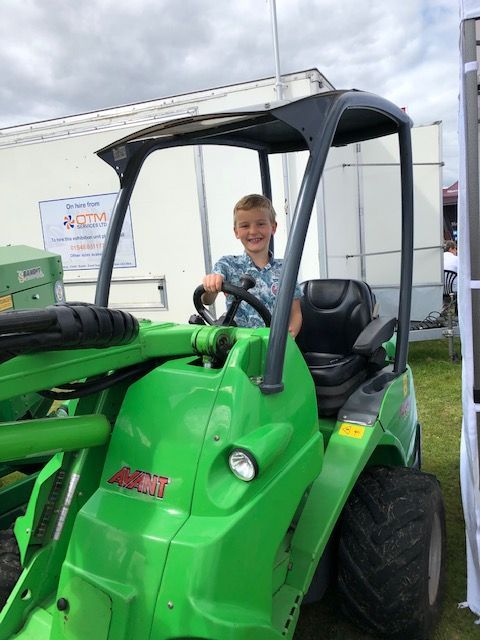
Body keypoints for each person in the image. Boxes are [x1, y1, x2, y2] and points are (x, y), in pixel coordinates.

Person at [202, 194, 303, 337]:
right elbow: (207, 300)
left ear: (273, 227)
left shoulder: (286, 269)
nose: (253, 231)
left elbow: (295, 313)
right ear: (236, 232)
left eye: (261, 224)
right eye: (245, 225)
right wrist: (211, 285)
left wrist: (287, 338)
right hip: (238, 346)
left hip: (273, 347)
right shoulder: (228, 265)